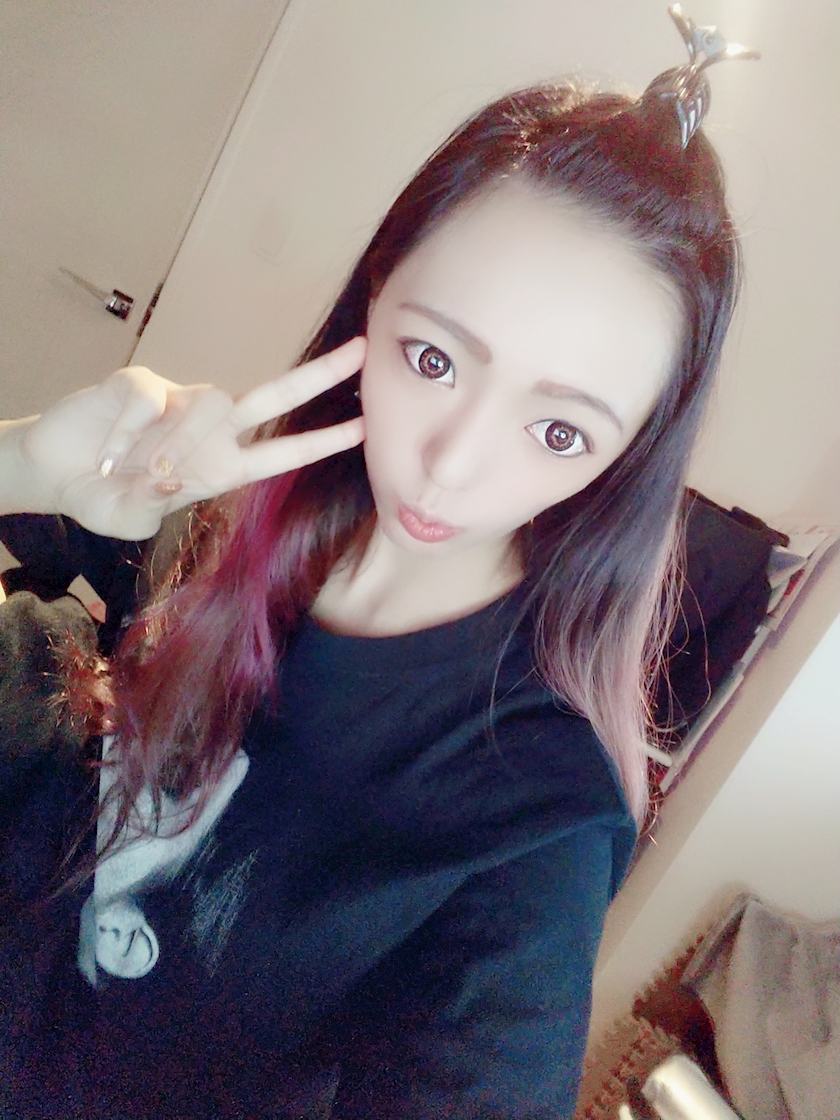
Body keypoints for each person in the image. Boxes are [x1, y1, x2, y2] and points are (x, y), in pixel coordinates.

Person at [0, 15, 753, 1116]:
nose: (450, 465)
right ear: (376, 299)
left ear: (627, 457)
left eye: (559, 431)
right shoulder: (207, 517)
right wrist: (23, 463)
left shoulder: (536, 825)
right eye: (433, 357)